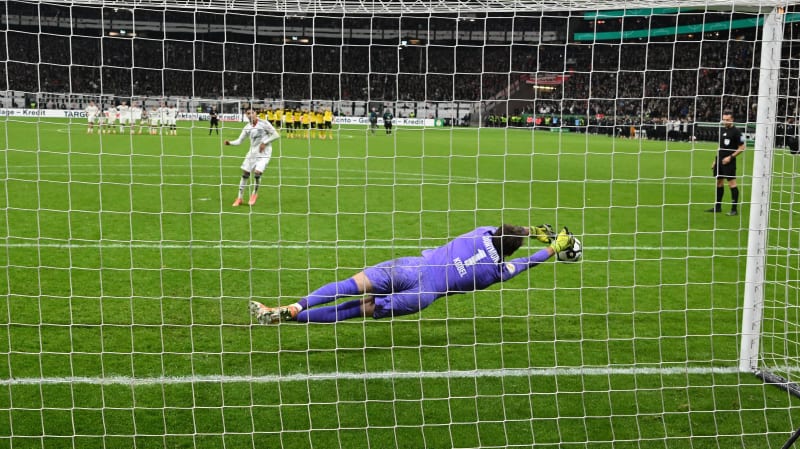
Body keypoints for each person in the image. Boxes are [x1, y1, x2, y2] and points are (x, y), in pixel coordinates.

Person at [250, 224, 576, 324]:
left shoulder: (480, 232)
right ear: (510, 251)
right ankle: (291, 318)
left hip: (413, 267)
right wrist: (554, 247)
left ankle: (298, 305)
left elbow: (508, 229)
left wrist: (535, 230)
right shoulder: (497, 271)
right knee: (355, 310)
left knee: (349, 285)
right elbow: (527, 263)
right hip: (422, 295)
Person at [224, 108, 281, 207]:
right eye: (248, 113)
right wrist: (230, 143)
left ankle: (254, 194)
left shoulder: (264, 123)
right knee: (245, 173)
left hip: (264, 153)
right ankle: (239, 198)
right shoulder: (247, 127)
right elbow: (239, 141)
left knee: (257, 173)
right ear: (246, 116)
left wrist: (265, 142)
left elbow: (276, 135)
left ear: (256, 114)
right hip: (252, 153)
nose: (250, 115)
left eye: (252, 113)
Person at [707, 110, 746, 216]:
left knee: (732, 184)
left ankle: (734, 209)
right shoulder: (722, 130)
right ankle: (718, 207)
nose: (725, 122)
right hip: (720, 161)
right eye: (724, 120)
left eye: (727, 120)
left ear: (732, 119)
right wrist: (715, 160)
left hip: (729, 162)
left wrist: (730, 157)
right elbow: (720, 147)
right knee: (719, 182)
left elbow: (742, 147)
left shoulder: (737, 132)